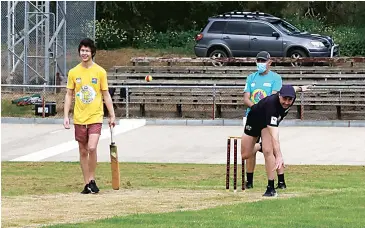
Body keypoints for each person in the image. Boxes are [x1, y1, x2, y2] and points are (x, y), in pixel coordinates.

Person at [63, 38, 116, 194]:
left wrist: (112, 115)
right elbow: (69, 95)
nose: (84, 53)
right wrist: (66, 115)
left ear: (92, 52)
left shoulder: (100, 72)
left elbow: (106, 95)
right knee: (83, 150)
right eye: (82, 50)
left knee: (92, 147)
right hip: (79, 117)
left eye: (87, 50)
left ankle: (92, 179)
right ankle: (87, 183)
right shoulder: (74, 72)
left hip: (95, 116)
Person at [241, 84, 310, 197]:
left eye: (290, 99)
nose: (287, 102)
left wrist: (302, 88)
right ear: (279, 96)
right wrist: (278, 155)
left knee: (268, 151)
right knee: (245, 155)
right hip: (254, 119)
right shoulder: (272, 105)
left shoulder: (290, 94)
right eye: (284, 99)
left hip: (267, 124)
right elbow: (275, 136)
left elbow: (294, 88)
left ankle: (271, 187)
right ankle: (260, 146)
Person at [243, 51, 286, 190]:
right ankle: (249, 180)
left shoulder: (276, 78)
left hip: (267, 117)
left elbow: (273, 99)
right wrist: (255, 109)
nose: (260, 63)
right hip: (252, 116)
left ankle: (279, 181)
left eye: (263, 61)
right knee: (247, 152)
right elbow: (246, 98)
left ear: (269, 62)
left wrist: (262, 111)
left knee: (270, 150)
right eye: (258, 61)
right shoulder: (251, 77)